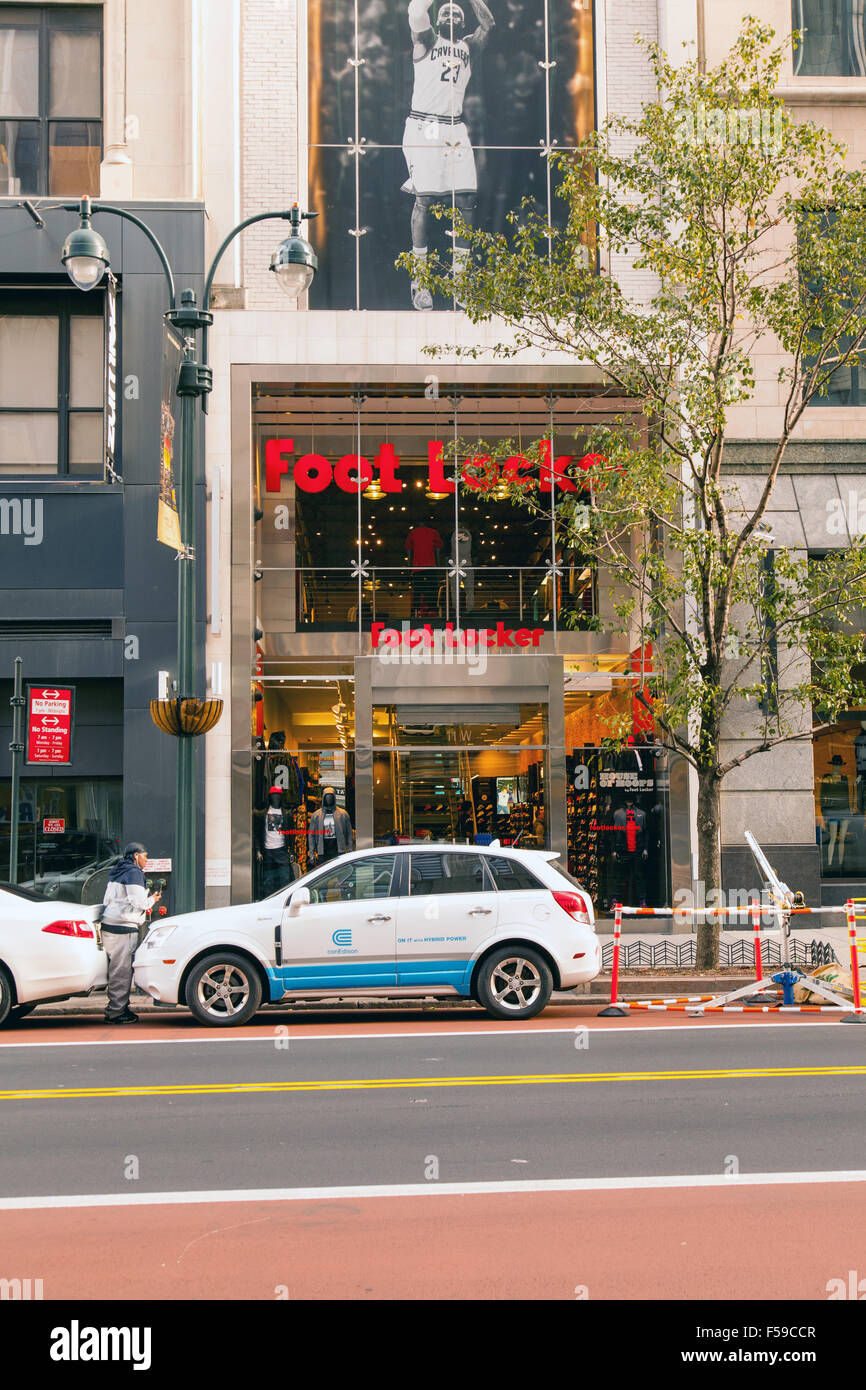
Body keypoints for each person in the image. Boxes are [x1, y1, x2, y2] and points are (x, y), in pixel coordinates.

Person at [403, 0, 495, 310]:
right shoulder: (427, 40)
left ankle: (461, 279)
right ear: (437, 20)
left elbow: (488, 24)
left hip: (454, 127)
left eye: (457, 12)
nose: (452, 15)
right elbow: (416, 12)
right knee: (424, 200)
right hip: (424, 124)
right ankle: (420, 278)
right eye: (445, 12)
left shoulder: (469, 46)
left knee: (466, 199)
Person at [100, 842, 161, 1024]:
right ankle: (116, 1012)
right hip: (123, 927)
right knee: (121, 971)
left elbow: (108, 899)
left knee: (116, 969)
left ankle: (119, 1007)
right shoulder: (133, 873)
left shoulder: (118, 870)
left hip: (111, 924)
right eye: (145, 855)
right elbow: (139, 902)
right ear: (136, 855)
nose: (147, 860)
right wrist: (153, 900)